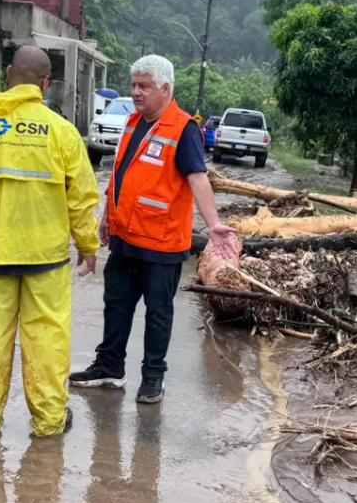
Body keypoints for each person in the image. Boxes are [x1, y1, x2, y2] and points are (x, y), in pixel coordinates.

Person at [0, 46, 100, 436]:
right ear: (45, 84)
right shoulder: (61, 131)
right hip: (46, 258)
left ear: (8, 73)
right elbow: (81, 194)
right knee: (47, 339)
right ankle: (48, 423)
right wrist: (87, 244)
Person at [69, 55, 236, 404]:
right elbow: (121, 174)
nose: (136, 92)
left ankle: (153, 378)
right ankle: (110, 367)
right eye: (133, 85)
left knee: (158, 313)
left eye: (143, 86)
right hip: (125, 239)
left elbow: (197, 178)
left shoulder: (183, 128)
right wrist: (106, 216)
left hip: (161, 245)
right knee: (116, 304)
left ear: (165, 88)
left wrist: (214, 223)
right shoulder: (132, 122)